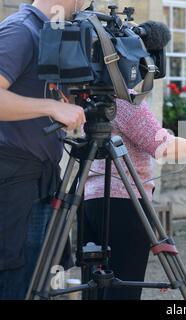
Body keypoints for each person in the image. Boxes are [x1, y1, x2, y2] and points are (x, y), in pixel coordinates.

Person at [0, 0, 87, 299]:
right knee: (15, 283)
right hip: (13, 185)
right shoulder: (21, 31)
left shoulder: (49, 33)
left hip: (40, 180)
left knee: (37, 285)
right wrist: (49, 106)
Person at [82, 96, 186, 300]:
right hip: (125, 200)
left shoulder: (94, 96)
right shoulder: (125, 98)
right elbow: (161, 145)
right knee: (124, 284)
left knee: (96, 285)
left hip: (92, 199)